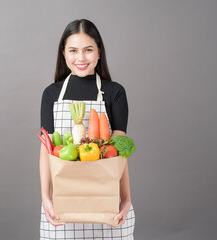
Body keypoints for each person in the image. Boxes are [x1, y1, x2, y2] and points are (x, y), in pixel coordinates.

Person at [39, 19, 135, 240]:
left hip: (107, 203)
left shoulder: (114, 93)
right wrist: (46, 198)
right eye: (73, 50)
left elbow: (120, 153)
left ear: (99, 52)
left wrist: (126, 199)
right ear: (63, 54)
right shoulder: (51, 95)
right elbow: (46, 150)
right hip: (63, 204)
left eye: (88, 50)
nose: (80, 58)